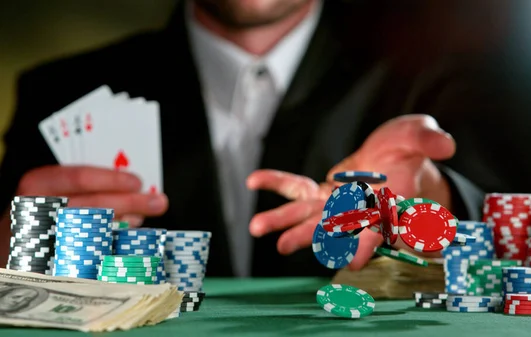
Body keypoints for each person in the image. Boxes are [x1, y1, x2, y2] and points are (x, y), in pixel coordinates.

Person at [0, 0, 504, 276]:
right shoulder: (61, 94)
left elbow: (507, 239)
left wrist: (432, 199)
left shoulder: (428, 76)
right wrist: (10, 249)